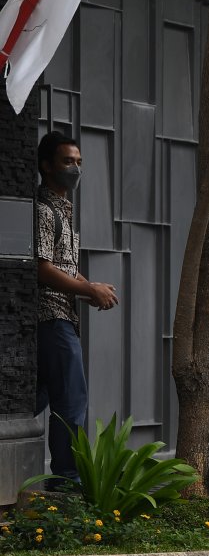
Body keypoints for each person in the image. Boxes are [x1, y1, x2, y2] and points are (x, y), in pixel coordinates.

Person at [35, 132, 119, 482]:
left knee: (37, 398)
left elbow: (63, 266)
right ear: (46, 166)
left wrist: (90, 289)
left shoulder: (63, 211)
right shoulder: (43, 211)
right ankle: (68, 481)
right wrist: (88, 288)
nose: (75, 169)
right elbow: (42, 269)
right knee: (71, 401)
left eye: (79, 162)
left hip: (64, 316)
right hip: (52, 317)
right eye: (68, 161)